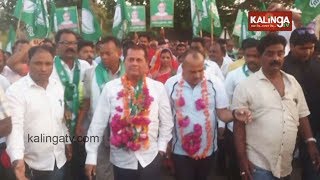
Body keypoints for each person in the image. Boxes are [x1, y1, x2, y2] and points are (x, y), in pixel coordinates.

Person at [232, 33, 320, 180]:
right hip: (258, 165)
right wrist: (242, 160)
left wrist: (311, 142)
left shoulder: (292, 82)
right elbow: (239, 126)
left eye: (280, 53)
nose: (276, 58)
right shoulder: (245, 86)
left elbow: (302, 114)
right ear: (261, 56)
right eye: (270, 54)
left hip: (286, 165)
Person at [85, 44, 174, 180]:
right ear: (124, 61)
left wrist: (161, 148)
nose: (134, 63)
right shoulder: (111, 88)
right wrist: (91, 156)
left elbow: (167, 122)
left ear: (146, 64)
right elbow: (97, 124)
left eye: (139, 60)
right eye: (130, 59)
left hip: (150, 157)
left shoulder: (158, 88)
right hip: (121, 160)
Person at [165, 49, 251, 180]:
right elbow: (166, 118)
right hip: (180, 150)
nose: (197, 75)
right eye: (192, 71)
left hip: (208, 150)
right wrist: (167, 145)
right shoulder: (171, 84)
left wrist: (234, 114)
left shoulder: (215, 82)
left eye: (200, 70)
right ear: (183, 68)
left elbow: (222, 113)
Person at [6, 45, 69, 180]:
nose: (43, 68)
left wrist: (67, 141)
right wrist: (17, 159)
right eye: (38, 63)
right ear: (28, 63)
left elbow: (60, 120)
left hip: (58, 161)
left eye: (48, 63)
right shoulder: (16, 91)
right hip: (31, 166)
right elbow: (15, 127)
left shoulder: (57, 87)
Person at [77, 36, 126, 180]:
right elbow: (87, 101)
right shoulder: (90, 73)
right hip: (98, 128)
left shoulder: (129, 73)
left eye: (108, 53)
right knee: (102, 168)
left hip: (124, 128)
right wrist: (80, 124)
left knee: (123, 167)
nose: (103, 57)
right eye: (101, 53)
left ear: (119, 52)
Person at [51, 29, 91, 180]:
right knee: (63, 171)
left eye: (74, 43)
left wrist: (80, 123)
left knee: (81, 169)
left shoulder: (85, 66)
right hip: (58, 131)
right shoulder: (50, 66)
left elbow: (88, 98)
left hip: (81, 128)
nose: (71, 46)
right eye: (65, 43)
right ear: (57, 45)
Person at [282, 27, 320, 180]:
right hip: (289, 125)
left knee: (311, 166)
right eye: (303, 48)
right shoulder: (281, 67)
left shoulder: (317, 65)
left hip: (314, 126)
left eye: (311, 48)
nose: (307, 52)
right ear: (291, 46)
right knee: (284, 166)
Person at [222, 38, 260, 180]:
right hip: (235, 129)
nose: (251, 59)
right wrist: (222, 126)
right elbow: (225, 102)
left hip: (259, 131)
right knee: (236, 168)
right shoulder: (233, 75)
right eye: (248, 56)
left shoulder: (269, 75)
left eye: (255, 56)